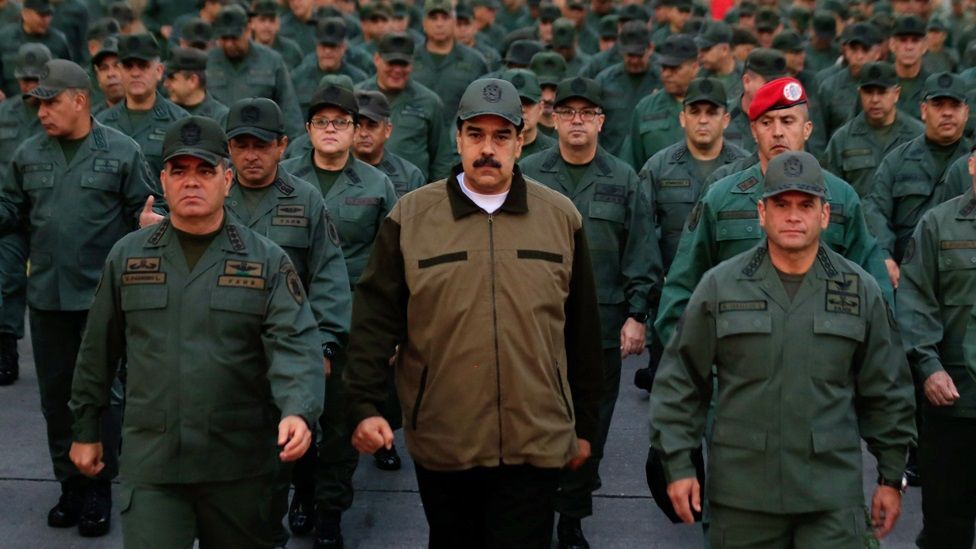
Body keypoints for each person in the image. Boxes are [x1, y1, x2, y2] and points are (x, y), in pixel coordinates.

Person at [344, 77, 603, 548]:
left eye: (502, 135)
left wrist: (584, 427)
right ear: (458, 138)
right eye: (476, 135)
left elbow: (583, 334)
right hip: (446, 435)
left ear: (521, 142)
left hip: (536, 434)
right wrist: (364, 407)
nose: (488, 149)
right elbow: (374, 322)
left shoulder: (560, 218)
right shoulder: (411, 219)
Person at [67, 116, 324, 548]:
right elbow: (97, 350)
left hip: (238, 464)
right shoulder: (128, 257)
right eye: (180, 171)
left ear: (227, 180)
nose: (192, 182)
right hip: (153, 463)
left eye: (204, 171)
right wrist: (86, 429)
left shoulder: (265, 261)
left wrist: (298, 408)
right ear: (163, 181)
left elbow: (294, 342)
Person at [650, 151, 916, 547]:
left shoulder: (859, 291)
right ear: (761, 211)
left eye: (806, 205)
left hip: (830, 498)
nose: (793, 216)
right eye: (781, 204)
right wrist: (678, 462)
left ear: (824, 214)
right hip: (743, 499)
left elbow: (887, 388)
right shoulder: (720, 287)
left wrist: (891, 478)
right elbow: (681, 380)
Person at [0, 58, 158, 537]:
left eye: (50, 102)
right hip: (48, 296)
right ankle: (68, 484)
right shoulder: (28, 154)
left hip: (102, 298)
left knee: (104, 395)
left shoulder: (122, 151)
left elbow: (145, 210)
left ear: (80, 100)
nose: (42, 111)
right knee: (55, 397)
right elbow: (11, 212)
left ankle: (99, 487)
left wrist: (150, 226)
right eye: (37, 103)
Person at [519, 75, 660, 549]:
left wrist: (637, 314)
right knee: (533, 418)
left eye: (586, 114)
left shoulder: (623, 178)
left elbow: (640, 249)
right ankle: (534, 510)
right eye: (567, 113)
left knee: (590, 426)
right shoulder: (530, 173)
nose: (576, 121)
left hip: (600, 326)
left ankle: (572, 516)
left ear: (601, 122)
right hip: (535, 323)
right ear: (552, 119)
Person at [655, 77, 893, 355]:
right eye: (767, 122)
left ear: (807, 129)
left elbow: (876, 291)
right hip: (736, 366)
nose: (777, 132)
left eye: (788, 121)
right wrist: (708, 372)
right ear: (754, 130)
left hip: (823, 367)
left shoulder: (840, 197)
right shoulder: (721, 197)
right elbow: (681, 292)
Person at [897, 144, 976, 549]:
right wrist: (928, 367)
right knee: (947, 527)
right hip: (953, 405)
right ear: (973, 164)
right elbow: (914, 301)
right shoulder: (937, 226)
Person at [865, 72, 972, 283]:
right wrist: (885, 256)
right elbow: (875, 210)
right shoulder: (896, 161)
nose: (947, 113)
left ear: (966, 112)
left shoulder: (972, 161)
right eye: (939, 105)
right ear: (924, 110)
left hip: (964, 277)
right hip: (907, 275)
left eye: (954, 106)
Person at [0, 43, 48, 385]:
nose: (29, 85)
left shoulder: (55, 113)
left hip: (50, 209)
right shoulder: (5, 114)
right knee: (9, 277)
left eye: (35, 79)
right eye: (24, 79)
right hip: (12, 210)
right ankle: (7, 344)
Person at [354, 32, 453, 181]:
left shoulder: (429, 101)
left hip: (411, 191)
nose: (397, 70)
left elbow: (441, 159)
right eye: (391, 63)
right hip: (362, 190)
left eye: (403, 64)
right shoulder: (356, 97)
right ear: (377, 59)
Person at [824, 61, 924, 198]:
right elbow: (829, 191)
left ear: (896, 93)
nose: (875, 99)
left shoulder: (918, 135)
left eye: (882, 92)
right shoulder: (842, 139)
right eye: (868, 92)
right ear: (860, 93)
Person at [206, 4, 304, 139]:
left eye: (234, 38)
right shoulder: (207, 62)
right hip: (219, 142)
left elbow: (289, 110)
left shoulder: (272, 60)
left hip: (261, 142)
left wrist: (292, 152)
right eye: (224, 38)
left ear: (247, 30)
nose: (229, 44)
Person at [625, 33, 699, 170]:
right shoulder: (645, 108)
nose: (666, 74)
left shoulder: (711, 107)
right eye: (664, 67)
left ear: (694, 68)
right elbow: (631, 163)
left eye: (675, 68)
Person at [411, 0, 489, 129]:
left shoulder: (475, 61)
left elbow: (484, 106)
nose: (439, 24)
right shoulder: (409, 59)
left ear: (454, 21)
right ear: (424, 23)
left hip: (458, 141)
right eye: (433, 18)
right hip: (417, 141)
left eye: (445, 17)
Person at [593, 21, 660, 156]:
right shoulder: (604, 81)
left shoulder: (661, 80)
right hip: (611, 162)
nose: (634, 60)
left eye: (639, 55)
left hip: (651, 164)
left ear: (650, 49)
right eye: (630, 55)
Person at [353, 89, 427, 197]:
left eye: (372, 125)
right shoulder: (335, 170)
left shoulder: (410, 176)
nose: (363, 133)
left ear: (387, 130)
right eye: (357, 125)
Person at [292, 17, 369, 116]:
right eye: (324, 46)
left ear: (343, 47)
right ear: (317, 46)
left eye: (333, 46)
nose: (327, 51)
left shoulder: (359, 79)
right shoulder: (298, 78)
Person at [0, 0, 71, 98]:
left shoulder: (59, 41)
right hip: (9, 105)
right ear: (25, 14)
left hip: (47, 103)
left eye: (48, 14)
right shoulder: (4, 38)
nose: (46, 19)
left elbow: (67, 75)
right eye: (41, 15)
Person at [164, 46, 229, 127]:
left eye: (172, 78)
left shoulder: (220, 117)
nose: (165, 84)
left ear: (193, 81)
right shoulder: (163, 112)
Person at [498, 68, 555, 159]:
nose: (521, 109)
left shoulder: (555, 151)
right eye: (513, 102)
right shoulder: (489, 150)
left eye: (527, 103)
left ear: (540, 108)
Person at [249, 0, 304, 68]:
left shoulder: (291, 51)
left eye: (272, 20)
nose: (267, 25)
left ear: (278, 24)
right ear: (252, 24)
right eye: (262, 20)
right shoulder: (244, 51)